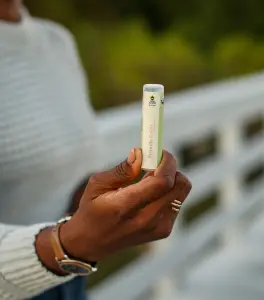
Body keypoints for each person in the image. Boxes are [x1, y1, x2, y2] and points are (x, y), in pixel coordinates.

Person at [0, 1, 193, 300]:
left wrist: (98, 196)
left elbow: (68, 160)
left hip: (72, 278)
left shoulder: (56, 40)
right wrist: (64, 245)